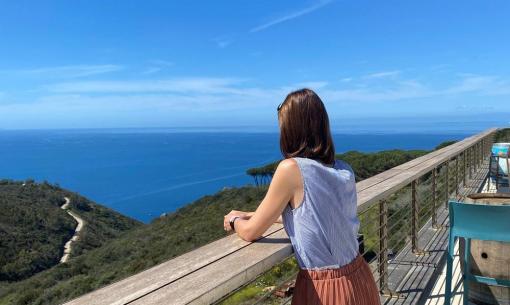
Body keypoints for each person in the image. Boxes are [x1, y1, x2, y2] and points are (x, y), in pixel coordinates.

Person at [223, 88, 381, 305]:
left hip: (326, 289)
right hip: (360, 277)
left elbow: (251, 232)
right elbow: (312, 217)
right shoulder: (344, 170)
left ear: (291, 130)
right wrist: (252, 213)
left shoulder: (291, 169)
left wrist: (235, 220)